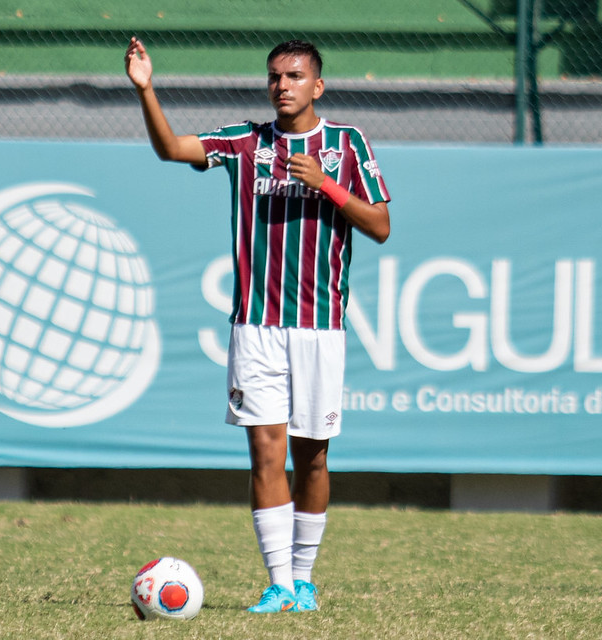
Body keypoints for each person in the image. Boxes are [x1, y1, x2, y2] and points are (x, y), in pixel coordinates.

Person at [125, 36, 390, 613]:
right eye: (274, 76)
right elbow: (172, 148)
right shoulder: (246, 142)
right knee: (266, 454)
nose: (282, 85)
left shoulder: (346, 144)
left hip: (320, 327)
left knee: (312, 454)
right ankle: (279, 584)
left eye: (294, 76)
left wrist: (325, 184)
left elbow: (380, 225)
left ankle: (306, 578)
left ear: (317, 86)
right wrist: (147, 91)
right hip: (255, 326)